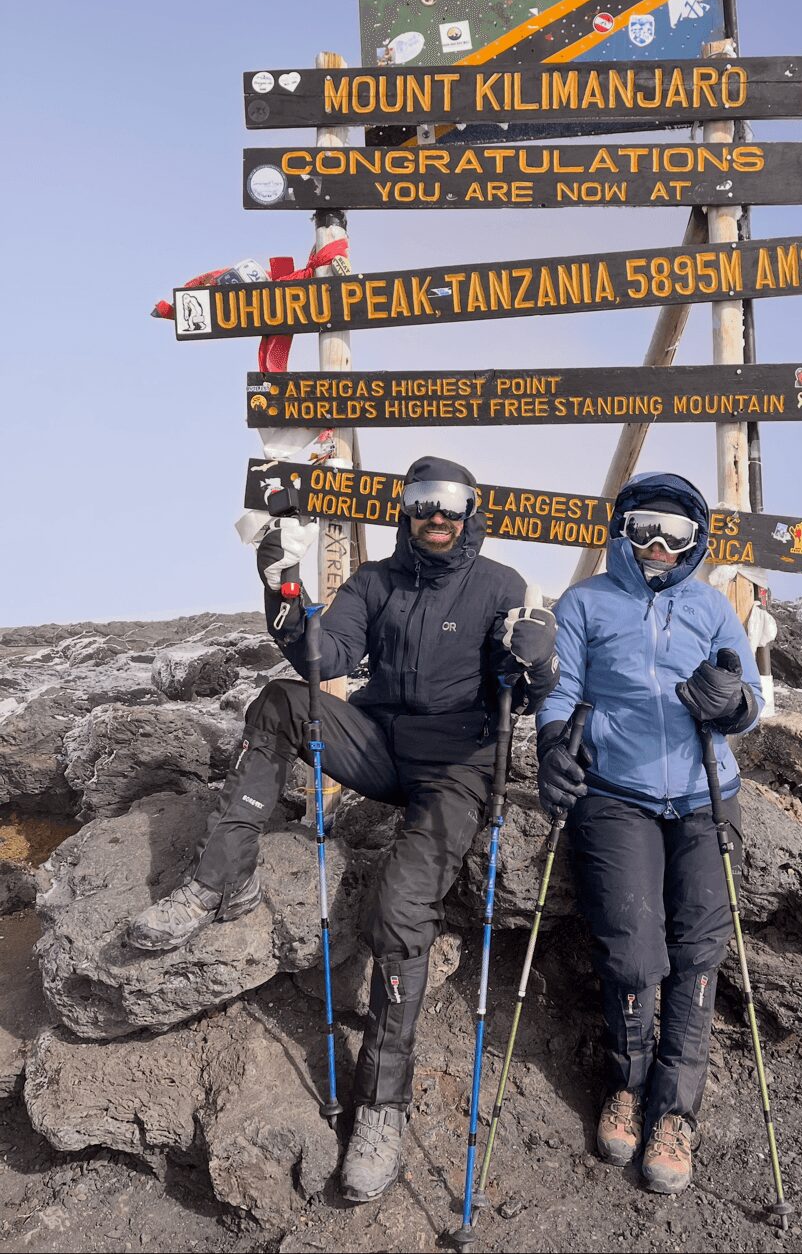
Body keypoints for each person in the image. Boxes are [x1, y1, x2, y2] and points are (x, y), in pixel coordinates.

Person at [127, 456, 558, 1203]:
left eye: (450, 503)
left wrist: (536, 658)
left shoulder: (501, 586)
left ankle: (381, 1109)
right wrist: (284, 593)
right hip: (381, 744)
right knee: (280, 702)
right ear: (406, 510)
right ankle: (220, 880)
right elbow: (325, 655)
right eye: (422, 501)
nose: (436, 515)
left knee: (398, 910)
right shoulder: (375, 581)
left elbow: (523, 689)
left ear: (471, 511)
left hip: (458, 764)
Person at [535, 471, 762, 1196]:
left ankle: (674, 1114)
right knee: (633, 953)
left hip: (705, 791)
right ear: (623, 533)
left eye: (677, 534)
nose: (660, 545)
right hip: (616, 792)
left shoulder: (711, 607)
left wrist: (731, 704)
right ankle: (627, 1088)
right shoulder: (585, 602)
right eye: (645, 531)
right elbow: (561, 690)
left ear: (695, 542)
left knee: (698, 953)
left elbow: (752, 696)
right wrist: (555, 746)